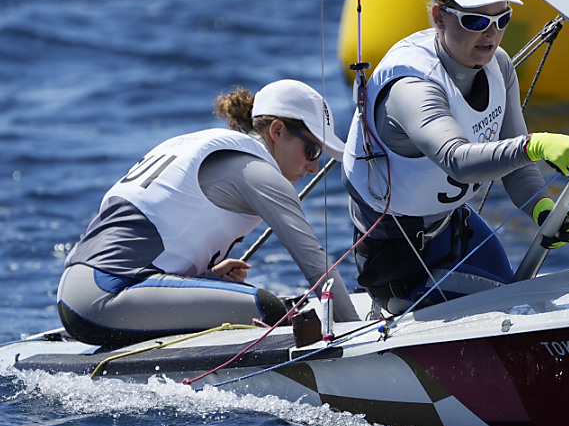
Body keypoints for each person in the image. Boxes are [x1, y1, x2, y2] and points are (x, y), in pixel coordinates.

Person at [343, 0, 569, 315]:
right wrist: (537, 145)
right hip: (398, 262)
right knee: (518, 307)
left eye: (502, 18)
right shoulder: (413, 86)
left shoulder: (499, 66)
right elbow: (457, 161)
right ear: (439, 17)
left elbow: (518, 170)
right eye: (475, 20)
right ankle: (392, 305)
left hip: (452, 227)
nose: (491, 34)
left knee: (522, 300)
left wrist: (543, 208)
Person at [57, 79, 360, 348]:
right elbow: (315, 264)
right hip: (106, 296)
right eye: (312, 151)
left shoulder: (193, 143)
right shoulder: (258, 171)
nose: (314, 167)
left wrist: (206, 277)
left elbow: (146, 244)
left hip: (74, 293)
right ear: (277, 130)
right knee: (267, 309)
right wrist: (355, 332)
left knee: (241, 295)